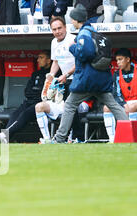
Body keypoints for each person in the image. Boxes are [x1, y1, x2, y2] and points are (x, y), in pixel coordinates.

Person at [53, 4, 128, 143]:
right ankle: (130, 132)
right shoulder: (94, 31)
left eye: (72, 19)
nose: (71, 22)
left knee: (69, 105)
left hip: (87, 79)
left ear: (76, 20)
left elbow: (86, 53)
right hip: (100, 78)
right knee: (114, 105)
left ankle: (59, 138)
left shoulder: (84, 33)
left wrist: (73, 48)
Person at [0, 51, 54, 143]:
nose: (38, 60)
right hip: (29, 101)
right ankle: (6, 138)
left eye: (41, 57)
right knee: (15, 114)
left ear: (49, 60)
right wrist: (35, 94)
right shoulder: (36, 74)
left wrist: (37, 94)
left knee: (25, 114)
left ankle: (4, 136)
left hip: (41, 104)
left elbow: (48, 93)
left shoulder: (53, 74)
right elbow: (27, 91)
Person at [103, 48, 137, 143]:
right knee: (106, 108)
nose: (118, 62)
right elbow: (116, 93)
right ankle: (112, 139)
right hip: (128, 103)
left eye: (120, 59)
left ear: (128, 59)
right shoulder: (117, 74)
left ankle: (133, 138)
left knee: (132, 107)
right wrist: (123, 104)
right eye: (117, 60)